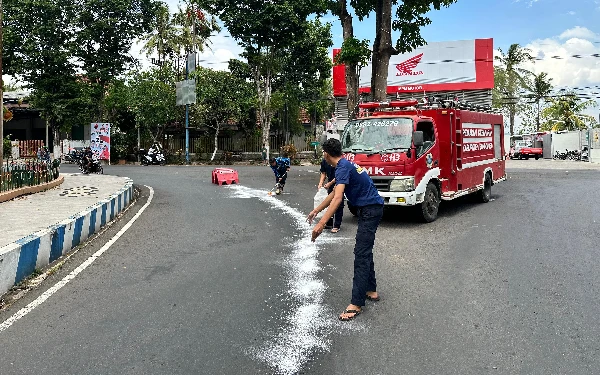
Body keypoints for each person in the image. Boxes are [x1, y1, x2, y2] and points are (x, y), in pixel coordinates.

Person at [307, 138, 384, 321]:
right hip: (371, 208)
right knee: (364, 250)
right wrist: (317, 210)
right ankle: (371, 290)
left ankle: (356, 304)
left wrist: (321, 224)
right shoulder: (344, 165)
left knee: (361, 253)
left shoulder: (342, 167)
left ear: (326, 153)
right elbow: (333, 193)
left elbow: (338, 198)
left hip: (370, 210)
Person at [317, 157, 344, 233]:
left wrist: (330, 183)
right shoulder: (324, 161)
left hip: (340, 182)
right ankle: (329, 222)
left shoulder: (338, 161)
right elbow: (323, 173)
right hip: (330, 184)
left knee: (338, 203)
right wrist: (320, 183)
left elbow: (339, 175)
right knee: (329, 203)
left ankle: (337, 225)